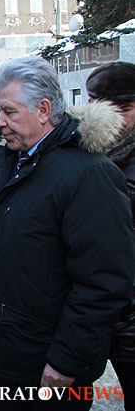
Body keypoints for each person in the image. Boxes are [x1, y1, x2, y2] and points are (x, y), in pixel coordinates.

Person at [0, 56, 135, 411]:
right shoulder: (9, 164)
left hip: (49, 369)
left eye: (9, 112)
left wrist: (65, 360)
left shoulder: (89, 175)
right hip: (6, 358)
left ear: (44, 110)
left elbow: (104, 283)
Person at [85, 61, 135, 411]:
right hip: (94, 307)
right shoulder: (82, 150)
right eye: (106, 108)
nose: (115, 119)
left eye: (125, 109)